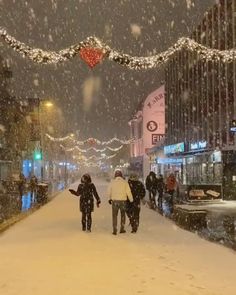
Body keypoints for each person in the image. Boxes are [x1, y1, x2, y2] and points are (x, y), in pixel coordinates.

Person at [107, 170, 133, 235]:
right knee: (123, 215)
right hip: (123, 201)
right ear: (121, 175)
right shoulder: (125, 182)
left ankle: (115, 229)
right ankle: (122, 228)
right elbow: (128, 192)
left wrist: (109, 199)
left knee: (114, 216)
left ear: (115, 175)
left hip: (115, 201)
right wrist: (131, 200)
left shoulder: (112, 182)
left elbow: (108, 191)